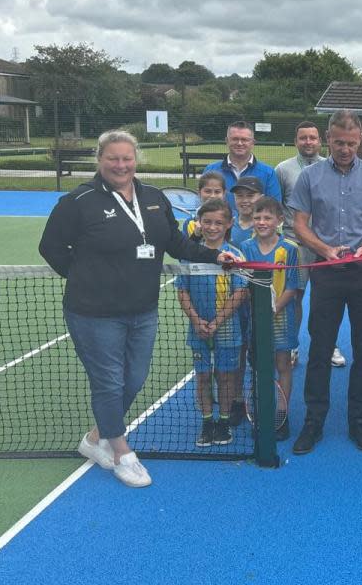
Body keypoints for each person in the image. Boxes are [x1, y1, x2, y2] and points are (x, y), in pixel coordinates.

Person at [39, 130, 235, 488]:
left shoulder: (153, 198)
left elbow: (176, 243)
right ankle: (120, 452)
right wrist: (86, 278)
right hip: (93, 312)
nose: (121, 165)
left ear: (136, 159)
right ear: (99, 160)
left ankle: (95, 438)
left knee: (134, 378)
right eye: (113, 158)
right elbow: (50, 247)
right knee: (109, 381)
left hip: (142, 310)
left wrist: (215, 255)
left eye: (127, 158)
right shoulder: (79, 201)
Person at [287, 110, 362, 455]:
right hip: (326, 270)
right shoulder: (309, 177)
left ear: (360, 140)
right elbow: (300, 224)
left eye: (351, 143)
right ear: (328, 139)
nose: (345, 148)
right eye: (338, 142)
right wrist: (324, 249)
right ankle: (313, 422)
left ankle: (358, 421)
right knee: (320, 348)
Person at [175, 198, 248, 447]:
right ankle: (207, 422)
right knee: (203, 376)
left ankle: (224, 421)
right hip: (198, 330)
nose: (212, 227)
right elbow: (182, 291)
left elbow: (239, 293)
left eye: (219, 222)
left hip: (227, 329)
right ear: (199, 223)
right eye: (207, 222)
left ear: (229, 224)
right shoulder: (189, 256)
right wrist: (197, 321)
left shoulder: (235, 256)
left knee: (226, 376)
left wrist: (216, 322)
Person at [275, 122, 345, 368]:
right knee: (294, 296)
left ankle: (330, 345)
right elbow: (276, 207)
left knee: (327, 299)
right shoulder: (282, 170)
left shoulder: (334, 167)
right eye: (303, 137)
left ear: (320, 141)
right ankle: (292, 346)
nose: (308, 142)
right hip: (296, 244)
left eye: (312, 138)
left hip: (328, 245)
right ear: (296, 140)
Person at [239, 196, 301, 441]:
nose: (262, 222)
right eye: (257, 217)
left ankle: (281, 415)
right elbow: (242, 284)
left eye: (267, 217)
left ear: (279, 220)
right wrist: (257, 310)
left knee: (282, 365)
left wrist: (273, 309)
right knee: (259, 366)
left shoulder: (290, 249)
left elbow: (292, 287)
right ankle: (262, 412)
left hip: (280, 319)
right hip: (253, 319)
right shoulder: (245, 248)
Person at [204, 120, 282, 210]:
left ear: (253, 143)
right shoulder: (211, 170)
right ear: (227, 141)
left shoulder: (268, 173)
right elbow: (203, 205)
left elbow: (274, 209)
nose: (239, 143)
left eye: (244, 139)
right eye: (235, 139)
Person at [182, 171, 225, 239]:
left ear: (224, 193)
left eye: (217, 192)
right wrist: (195, 236)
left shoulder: (230, 221)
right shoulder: (189, 223)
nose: (212, 196)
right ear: (199, 192)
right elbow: (185, 248)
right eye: (208, 191)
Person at [228, 177, 260, 248]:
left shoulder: (266, 227)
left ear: (261, 198)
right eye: (239, 196)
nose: (245, 200)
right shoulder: (228, 225)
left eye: (250, 196)